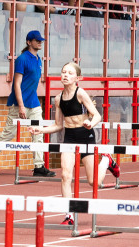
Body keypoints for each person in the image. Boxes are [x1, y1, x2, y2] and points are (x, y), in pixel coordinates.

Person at [29, 62, 117, 215]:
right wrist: (40, 130)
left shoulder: (80, 93)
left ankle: (106, 161)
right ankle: (68, 213)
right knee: (65, 175)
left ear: (78, 78)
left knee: (93, 182)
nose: (65, 75)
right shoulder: (58, 99)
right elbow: (58, 125)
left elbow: (97, 115)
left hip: (85, 136)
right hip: (69, 138)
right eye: (63, 72)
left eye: (70, 73)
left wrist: (90, 123)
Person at [0, 30, 54, 177]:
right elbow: (17, 84)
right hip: (19, 103)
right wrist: (21, 105)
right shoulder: (22, 59)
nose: (40, 42)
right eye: (37, 40)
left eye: (41, 40)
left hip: (34, 103)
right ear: (29, 42)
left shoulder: (39, 59)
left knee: (38, 133)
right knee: (9, 134)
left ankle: (39, 166)